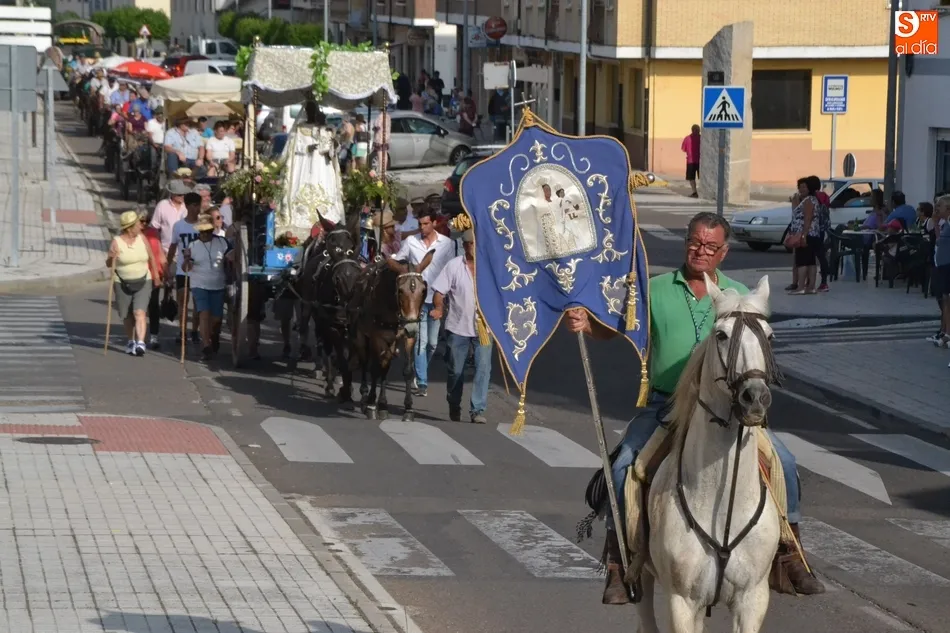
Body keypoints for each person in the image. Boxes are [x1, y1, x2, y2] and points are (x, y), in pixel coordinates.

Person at [564, 211, 825, 603]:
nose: (701, 251)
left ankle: (790, 553)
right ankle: (619, 558)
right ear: (686, 242)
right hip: (665, 407)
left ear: (723, 252)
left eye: (710, 246)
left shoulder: (739, 294)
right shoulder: (655, 289)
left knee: (784, 462)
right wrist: (586, 324)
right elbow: (616, 327)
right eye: (695, 242)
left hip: (730, 411)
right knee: (623, 466)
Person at [392, 209, 456, 397]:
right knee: (421, 341)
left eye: (426, 223)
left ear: (434, 223)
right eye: (420, 224)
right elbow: (400, 259)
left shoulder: (447, 244)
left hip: (437, 298)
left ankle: (420, 369)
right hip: (416, 299)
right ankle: (422, 382)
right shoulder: (411, 242)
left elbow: (450, 269)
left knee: (433, 344)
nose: (422, 227)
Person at [430, 229, 491, 424]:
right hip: (458, 327)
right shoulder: (454, 266)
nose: (471, 247)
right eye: (468, 244)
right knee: (456, 370)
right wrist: (438, 308)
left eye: (474, 244)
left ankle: (477, 409)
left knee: (483, 368)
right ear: (464, 246)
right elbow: (439, 292)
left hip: (484, 328)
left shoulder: (489, 267)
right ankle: (454, 403)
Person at [280, 101, 345, 230]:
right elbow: (294, 148)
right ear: (305, 112)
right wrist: (307, 148)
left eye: (314, 110)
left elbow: (332, 151)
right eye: (309, 110)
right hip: (304, 165)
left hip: (322, 167)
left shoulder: (325, 129)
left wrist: (334, 144)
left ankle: (326, 216)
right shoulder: (300, 129)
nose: (312, 113)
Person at [106, 211, 160, 357]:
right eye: (137, 224)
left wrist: (156, 275)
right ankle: (131, 341)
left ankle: (140, 342)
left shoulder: (142, 238)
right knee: (126, 314)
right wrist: (111, 257)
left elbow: (151, 257)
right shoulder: (116, 242)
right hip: (122, 282)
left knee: (139, 312)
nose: (140, 226)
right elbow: (109, 264)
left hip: (144, 280)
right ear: (130, 228)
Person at [180, 214, 231, 361]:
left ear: (212, 230)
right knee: (204, 313)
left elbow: (232, 256)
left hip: (218, 284)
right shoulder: (193, 245)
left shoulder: (222, 242)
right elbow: (186, 268)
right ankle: (206, 345)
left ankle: (213, 335)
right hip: (199, 284)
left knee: (216, 318)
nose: (205, 234)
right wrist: (187, 259)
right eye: (202, 232)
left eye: (208, 231)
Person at [167, 192, 204, 345]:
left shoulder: (203, 225)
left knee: (197, 302)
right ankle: (182, 331)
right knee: (182, 301)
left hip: (199, 270)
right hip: (183, 269)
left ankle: (195, 330)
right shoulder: (179, 226)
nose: (197, 208)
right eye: (194, 205)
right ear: (187, 206)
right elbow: (173, 247)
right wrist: (168, 267)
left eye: (199, 205)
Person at [786, 176, 821, 295]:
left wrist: (803, 235)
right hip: (813, 234)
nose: (801, 189)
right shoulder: (812, 199)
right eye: (800, 187)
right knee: (811, 262)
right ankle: (811, 287)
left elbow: (807, 218)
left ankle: (801, 287)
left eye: (804, 186)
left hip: (806, 234)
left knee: (802, 262)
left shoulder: (809, 201)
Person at [140, 209, 166, 350]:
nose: (144, 224)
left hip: (154, 274)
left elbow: (160, 253)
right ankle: (139, 337)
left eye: (147, 221)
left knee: (153, 305)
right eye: (141, 221)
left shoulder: (154, 233)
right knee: (139, 307)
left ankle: (154, 336)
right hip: (138, 275)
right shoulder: (130, 235)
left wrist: (166, 272)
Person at [681, 124, 700, 198]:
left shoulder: (687, 138)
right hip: (699, 161)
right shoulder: (701, 138)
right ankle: (696, 192)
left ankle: (695, 192)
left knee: (691, 178)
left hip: (691, 161)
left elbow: (683, 149)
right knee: (697, 178)